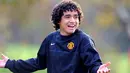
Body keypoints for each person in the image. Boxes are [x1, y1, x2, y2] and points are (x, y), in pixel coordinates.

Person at [0, 0, 111, 73]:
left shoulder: (84, 40)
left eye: (75, 17)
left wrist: (98, 69)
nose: (73, 21)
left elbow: (93, 64)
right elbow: (38, 63)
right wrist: (9, 63)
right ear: (58, 20)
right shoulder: (50, 40)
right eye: (67, 17)